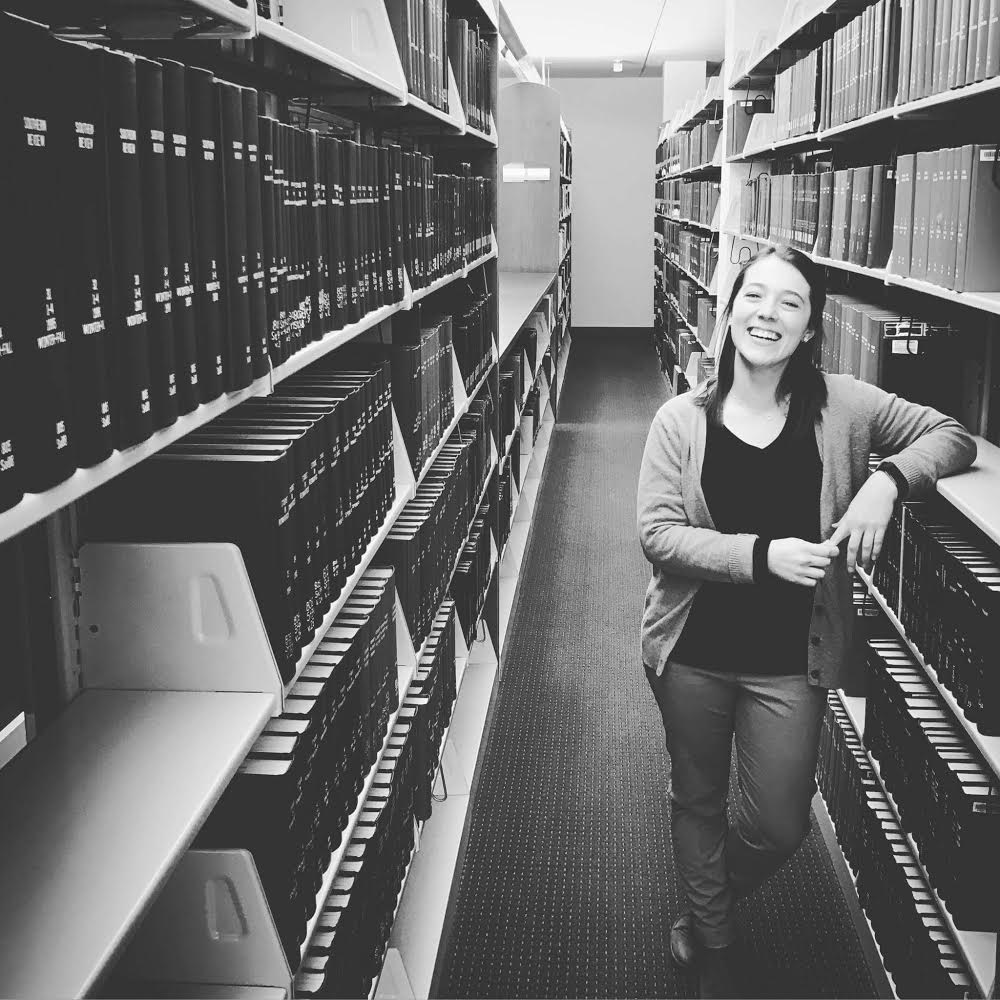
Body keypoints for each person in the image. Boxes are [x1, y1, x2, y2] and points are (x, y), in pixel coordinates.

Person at [636, 246, 977, 998]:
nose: (767, 313)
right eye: (753, 296)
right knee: (696, 795)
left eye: (789, 302)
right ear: (727, 313)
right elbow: (657, 534)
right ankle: (713, 942)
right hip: (690, 647)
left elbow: (950, 434)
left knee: (778, 825)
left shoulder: (846, 405)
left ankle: (705, 900)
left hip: (791, 654)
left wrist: (887, 480)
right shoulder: (680, 420)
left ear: (811, 326)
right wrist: (760, 557)